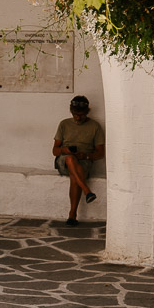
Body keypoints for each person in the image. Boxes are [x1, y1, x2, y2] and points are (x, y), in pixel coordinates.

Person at [52, 95, 105, 226]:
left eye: (81, 115)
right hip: (63, 161)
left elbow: (100, 153)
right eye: (75, 114)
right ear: (71, 112)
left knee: (74, 174)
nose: (78, 117)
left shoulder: (95, 126)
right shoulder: (64, 124)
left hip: (84, 161)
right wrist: (65, 150)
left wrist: (85, 156)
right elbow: (54, 151)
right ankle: (86, 191)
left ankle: (72, 216)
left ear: (87, 112)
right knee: (70, 159)